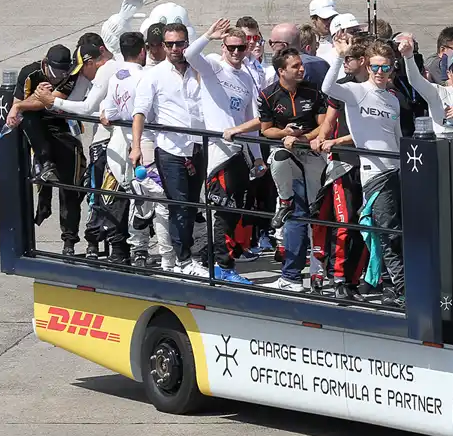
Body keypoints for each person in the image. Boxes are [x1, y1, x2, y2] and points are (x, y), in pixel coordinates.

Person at [323, 36, 405, 307]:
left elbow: (398, 136)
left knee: (392, 231)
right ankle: (396, 287)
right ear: (367, 67)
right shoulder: (356, 91)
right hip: (373, 173)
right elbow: (328, 86)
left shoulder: (392, 100)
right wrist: (340, 55)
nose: (380, 73)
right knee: (385, 231)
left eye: (386, 68)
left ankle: (392, 284)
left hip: (395, 171)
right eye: (375, 67)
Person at [184, 18, 263, 284]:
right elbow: (190, 54)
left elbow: (253, 122)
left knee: (235, 211)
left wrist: (259, 157)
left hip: (239, 153)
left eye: (241, 48)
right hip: (218, 153)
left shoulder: (247, 78)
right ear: (223, 47)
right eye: (231, 48)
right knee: (223, 210)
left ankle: (219, 260)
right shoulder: (214, 67)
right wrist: (209, 35)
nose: (236, 53)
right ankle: (222, 265)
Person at [130, 22, 208, 278]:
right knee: (179, 206)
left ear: (187, 43)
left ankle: (183, 258)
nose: (175, 48)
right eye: (170, 44)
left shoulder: (199, 70)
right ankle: (183, 260)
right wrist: (136, 146)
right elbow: (139, 112)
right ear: (163, 46)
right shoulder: (153, 75)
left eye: (180, 43)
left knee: (192, 205)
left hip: (197, 147)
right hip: (169, 149)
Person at [36, 43, 122, 259]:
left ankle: (106, 244)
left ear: (93, 60)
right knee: (93, 193)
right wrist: (51, 103)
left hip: (113, 142)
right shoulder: (88, 74)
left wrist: (51, 101)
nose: (80, 73)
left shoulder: (105, 71)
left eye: (83, 67)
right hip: (99, 141)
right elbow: (73, 102)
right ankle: (91, 242)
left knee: (100, 194)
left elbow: (85, 107)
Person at [99, 31, 175, 271]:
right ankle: (167, 257)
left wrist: (106, 116)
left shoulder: (116, 77)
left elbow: (108, 115)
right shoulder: (148, 76)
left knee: (139, 197)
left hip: (125, 148)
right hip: (149, 145)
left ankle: (138, 249)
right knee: (161, 200)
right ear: (143, 51)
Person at [256, 48, 329, 292]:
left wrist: (303, 137)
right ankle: (291, 276)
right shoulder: (268, 95)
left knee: (315, 213)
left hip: (313, 152)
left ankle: (320, 274)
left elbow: (324, 126)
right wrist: (285, 133)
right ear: (281, 71)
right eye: (295, 66)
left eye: (301, 65)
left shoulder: (313, 90)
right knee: (278, 160)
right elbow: (266, 129)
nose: (301, 69)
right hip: (288, 154)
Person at [8, 45, 85, 255]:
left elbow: (50, 101)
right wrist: (27, 101)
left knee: (71, 188)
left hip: (63, 127)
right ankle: (45, 164)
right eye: (56, 71)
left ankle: (69, 241)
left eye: (64, 71)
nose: (59, 75)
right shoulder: (30, 72)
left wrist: (37, 100)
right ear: (45, 64)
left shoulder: (70, 76)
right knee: (28, 118)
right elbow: (18, 106)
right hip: (38, 129)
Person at [265, 22, 329, 89]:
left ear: (283, 45)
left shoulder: (285, 68)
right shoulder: (322, 63)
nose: (271, 46)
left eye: (272, 43)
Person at [308, 0, 339, 67]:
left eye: (332, 17)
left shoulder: (342, 40)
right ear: (313, 19)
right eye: (325, 19)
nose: (329, 22)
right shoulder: (306, 40)